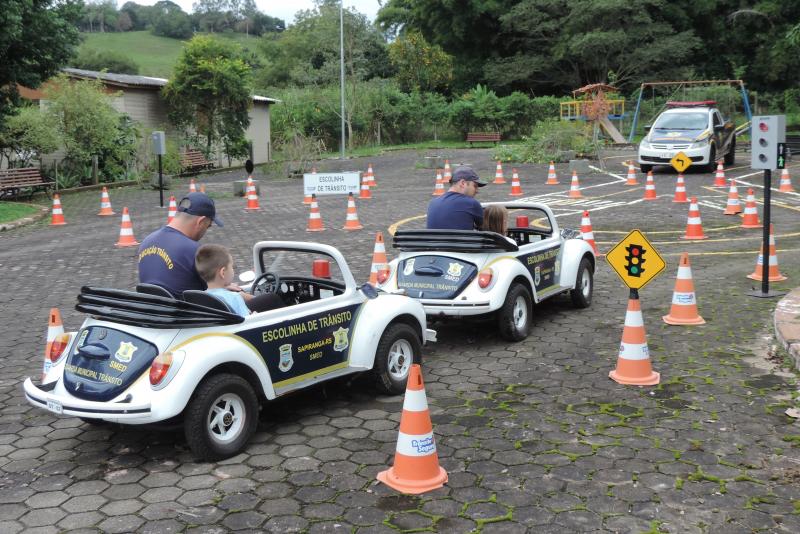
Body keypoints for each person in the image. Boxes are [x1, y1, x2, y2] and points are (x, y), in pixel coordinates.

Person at [138, 192, 222, 298]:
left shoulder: (146, 241)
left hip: (151, 310)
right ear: (201, 222)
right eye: (208, 226)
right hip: (185, 312)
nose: (206, 230)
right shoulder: (195, 251)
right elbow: (216, 291)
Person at [426, 166, 487, 230]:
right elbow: (485, 229)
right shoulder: (471, 203)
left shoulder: (433, 203)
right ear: (463, 183)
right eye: (475, 186)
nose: (477, 191)